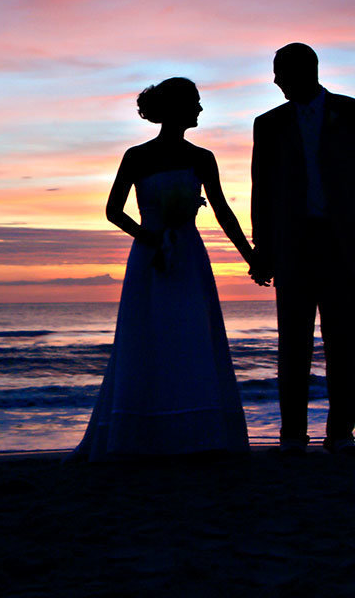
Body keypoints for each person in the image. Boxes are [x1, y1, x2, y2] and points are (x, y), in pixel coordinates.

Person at [71, 77, 252, 461]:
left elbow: (222, 213)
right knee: (147, 338)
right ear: (176, 109)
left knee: (192, 339)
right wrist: (150, 237)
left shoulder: (202, 158)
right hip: (149, 259)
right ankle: (145, 433)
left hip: (188, 256)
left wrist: (250, 257)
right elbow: (112, 210)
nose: (201, 110)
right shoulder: (136, 156)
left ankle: (196, 433)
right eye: (196, 103)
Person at [249, 43, 355, 455]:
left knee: (343, 343)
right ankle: (292, 435)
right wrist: (263, 249)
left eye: (281, 72)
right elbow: (262, 190)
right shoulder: (269, 123)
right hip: (293, 246)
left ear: (305, 71)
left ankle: (341, 434)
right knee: (292, 344)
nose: (276, 81)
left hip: (346, 243)